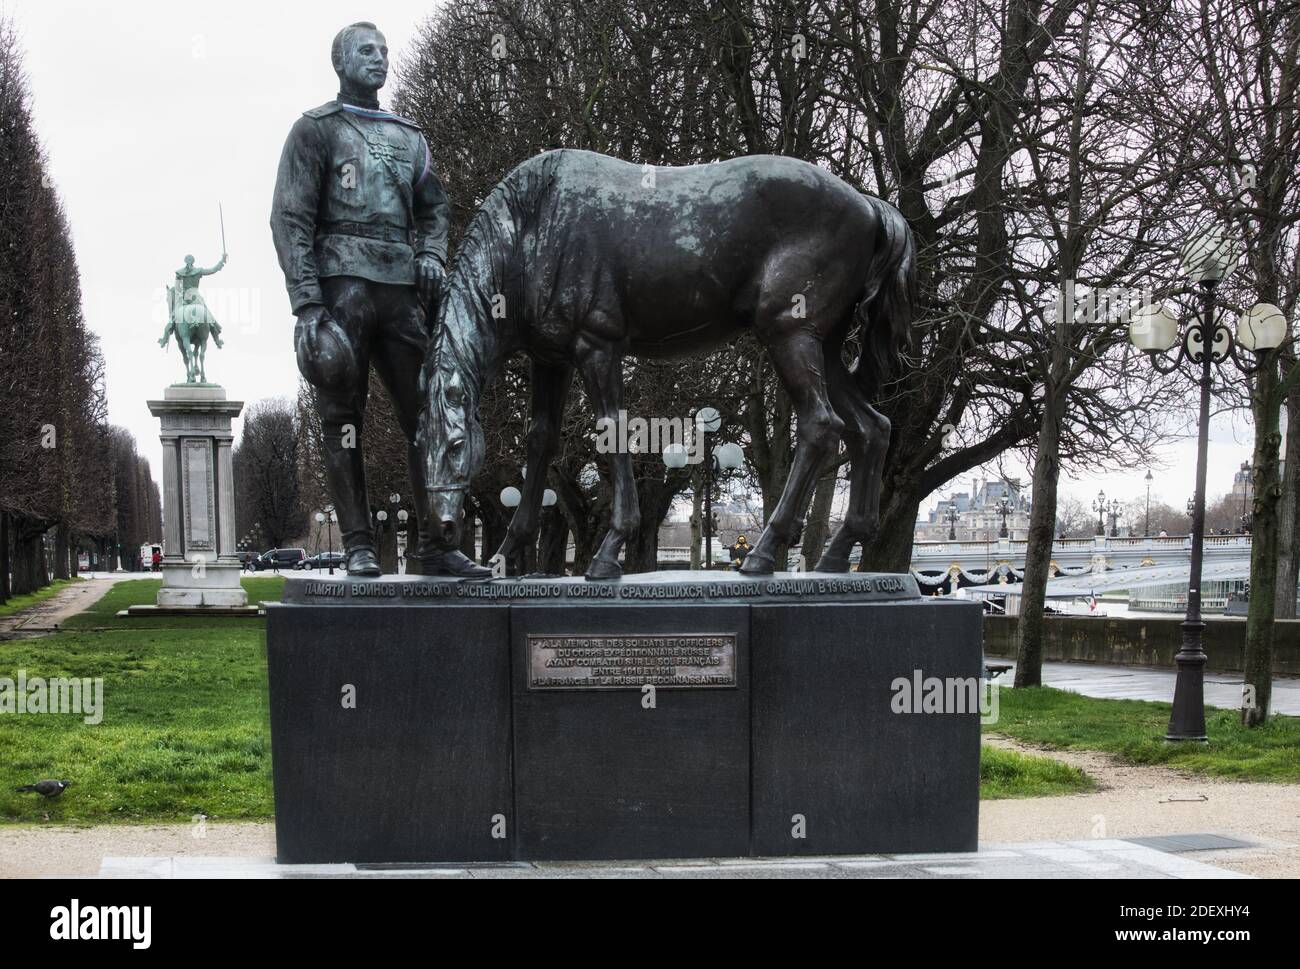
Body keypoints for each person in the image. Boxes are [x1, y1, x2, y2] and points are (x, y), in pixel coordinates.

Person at [271, 22, 487, 578]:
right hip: (342, 288)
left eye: (384, 51)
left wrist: (434, 256)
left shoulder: (410, 138)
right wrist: (307, 304)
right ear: (340, 61)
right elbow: (289, 219)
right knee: (343, 418)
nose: (379, 59)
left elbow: (435, 209)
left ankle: (435, 543)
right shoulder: (314, 130)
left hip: (400, 291)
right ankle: (359, 543)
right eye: (366, 51)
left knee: (428, 414)